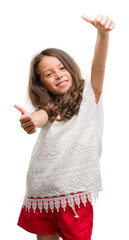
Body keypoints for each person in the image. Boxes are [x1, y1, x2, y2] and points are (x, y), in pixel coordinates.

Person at [14, 14, 115, 240]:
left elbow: (99, 65)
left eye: (62, 68)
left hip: (73, 193)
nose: (58, 75)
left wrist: (103, 34)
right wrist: (31, 121)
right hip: (41, 189)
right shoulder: (48, 107)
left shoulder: (90, 94)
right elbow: (39, 116)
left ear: (70, 68)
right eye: (49, 74)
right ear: (42, 84)